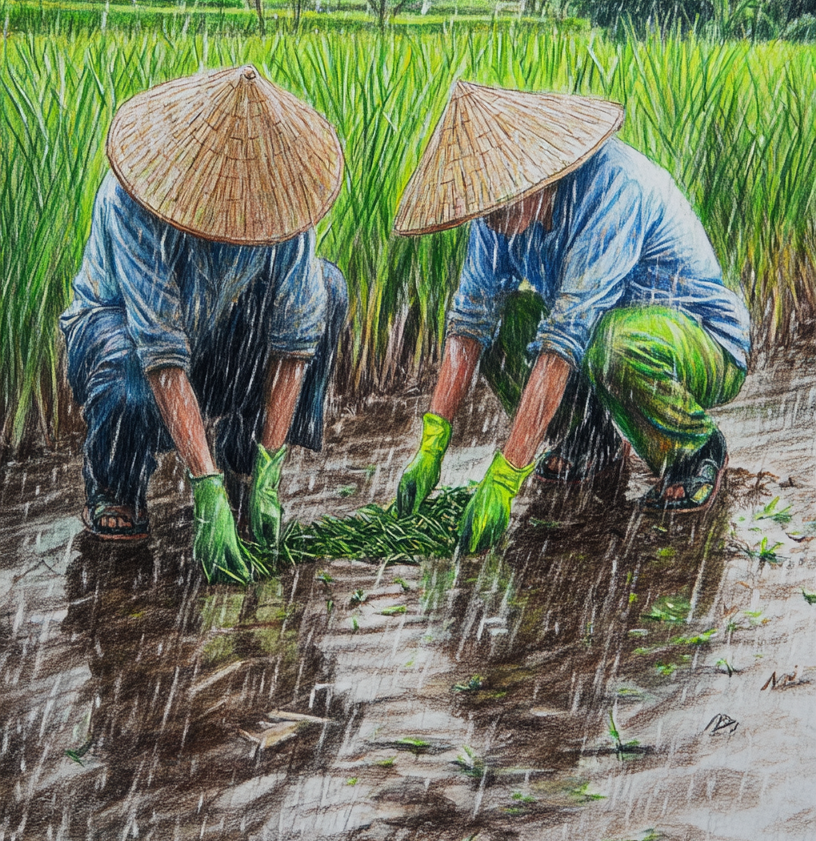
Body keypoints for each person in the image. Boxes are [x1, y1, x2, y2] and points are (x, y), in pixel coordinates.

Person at [392, 80, 750, 553]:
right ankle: (589, 440)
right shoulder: (496, 221)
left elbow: (564, 340)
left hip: (701, 341)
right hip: (604, 337)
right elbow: (469, 323)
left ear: (535, 176)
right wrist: (432, 443)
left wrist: (505, 476)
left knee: (614, 346)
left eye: (499, 202)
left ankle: (692, 448)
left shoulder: (613, 188)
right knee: (505, 323)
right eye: (483, 207)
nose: (489, 220)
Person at [60, 64, 347, 583]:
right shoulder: (134, 198)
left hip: (212, 330)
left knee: (328, 288)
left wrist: (270, 467)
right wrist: (203, 489)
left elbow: (294, 340)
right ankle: (118, 485)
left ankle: (243, 457)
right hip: (119, 332)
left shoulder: (285, 205)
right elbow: (160, 352)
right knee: (128, 373)